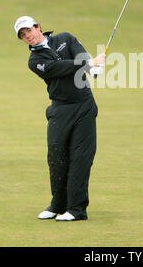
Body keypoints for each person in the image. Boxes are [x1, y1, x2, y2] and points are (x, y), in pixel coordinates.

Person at [14, 16, 105, 221]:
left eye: (28, 30)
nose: (27, 36)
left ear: (38, 27)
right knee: (56, 158)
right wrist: (87, 63)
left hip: (84, 106)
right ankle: (57, 205)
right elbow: (59, 68)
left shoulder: (65, 38)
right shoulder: (34, 61)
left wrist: (93, 67)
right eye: (22, 35)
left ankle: (76, 209)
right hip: (60, 109)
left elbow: (81, 56)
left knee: (81, 158)